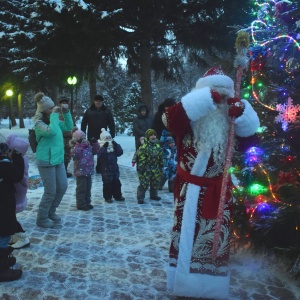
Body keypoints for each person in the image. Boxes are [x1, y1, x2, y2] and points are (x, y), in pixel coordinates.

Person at [163, 66, 260, 299]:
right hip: (189, 192)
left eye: (222, 96)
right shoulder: (186, 117)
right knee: (185, 238)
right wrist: (204, 101)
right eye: (213, 96)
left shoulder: (231, 120)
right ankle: (183, 285)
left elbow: (253, 143)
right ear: (202, 96)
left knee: (215, 241)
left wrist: (244, 114)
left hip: (219, 192)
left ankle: (210, 289)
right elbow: (169, 120)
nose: (218, 103)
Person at [33, 92, 74, 228]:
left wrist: (66, 112)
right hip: (45, 161)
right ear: (44, 111)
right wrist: (55, 115)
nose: (54, 109)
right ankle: (42, 218)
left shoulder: (53, 120)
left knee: (62, 186)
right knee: (50, 191)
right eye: (50, 108)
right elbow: (52, 132)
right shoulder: (38, 124)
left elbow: (69, 127)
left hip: (58, 159)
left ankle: (51, 211)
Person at [0, 141, 24, 282]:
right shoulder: (4, 165)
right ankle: (2, 270)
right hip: (2, 211)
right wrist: (17, 158)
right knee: (2, 239)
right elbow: (17, 176)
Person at [6, 134, 30, 249]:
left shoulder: (16, 163)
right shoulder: (20, 160)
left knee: (9, 215)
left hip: (14, 193)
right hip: (14, 193)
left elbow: (17, 178)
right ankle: (14, 235)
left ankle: (22, 237)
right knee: (9, 215)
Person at [81, 94, 115, 173]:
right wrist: (83, 134)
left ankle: (99, 167)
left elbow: (111, 123)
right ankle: (90, 166)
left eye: (100, 101)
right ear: (94, 101)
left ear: (102, 102)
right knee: (90, 152)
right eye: (97, 101)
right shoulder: (89, 111)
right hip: (91, 135)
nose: (98, 103)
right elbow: (84, 123)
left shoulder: (106, 111)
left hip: (103, 135)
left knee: (102, 152)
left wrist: (112, 133)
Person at [69, 128, 100, 210]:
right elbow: (76, 154)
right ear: (77, 139)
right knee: (81, 189)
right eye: (81, 138)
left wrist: (95, 143)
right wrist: (78, 145)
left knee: (88, 189)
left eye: (84, 137)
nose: (84, 139)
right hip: (80, 172)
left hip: (88, 171)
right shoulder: (75, 148)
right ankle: (81, 204)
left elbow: (96, 150)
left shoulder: (88, 146)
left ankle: (87, 202)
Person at [97, 128, 125, 203]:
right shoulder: (101, 147)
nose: (108, 139)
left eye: (110, 138)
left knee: (117, 183)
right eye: (106, 138)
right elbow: (100, 155)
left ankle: (118, 195)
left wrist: (116, 145)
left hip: (114, 168)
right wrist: (104, 147)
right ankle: (108, 197)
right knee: (107, 184)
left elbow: (120, 152)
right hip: (106, 169)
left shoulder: (113, 147)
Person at [136, 129, 163, 204]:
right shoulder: (144, 147)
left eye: (154, 135)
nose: (153, 136)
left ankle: (153, 195)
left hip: (155, 168)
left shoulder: (158, 145)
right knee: (144, 183)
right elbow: (141, 158)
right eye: (151, 135)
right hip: (146, 168)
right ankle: (140, 197)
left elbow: (160, 156)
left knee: (155, 182)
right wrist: (141, 168)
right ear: (148, 137)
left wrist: (161, 165)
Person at [59, 97, 75, 178]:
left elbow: (72, 125)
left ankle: (64, 170)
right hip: (61, 137)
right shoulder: (57, 113)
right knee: (62, 154)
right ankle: (62, 171)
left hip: (69, 137)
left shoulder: (69, 113)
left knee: (67, 155)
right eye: (63, 102)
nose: (65, 104)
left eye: (66, 102)